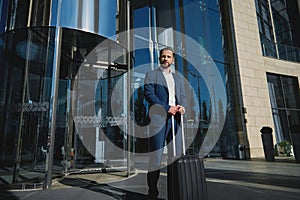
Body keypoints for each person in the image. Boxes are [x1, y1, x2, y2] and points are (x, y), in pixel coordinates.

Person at [144, 47, 187, 199]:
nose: (165, 59)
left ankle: (175, 190)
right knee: (156, 158)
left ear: (173, 60)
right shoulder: (151, 75)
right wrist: (167, 108)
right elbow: (149, 95)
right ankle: (153, 192)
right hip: (159, 120)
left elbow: (182, 95)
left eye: (168, 57)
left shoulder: (178, 78)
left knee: (176, 156)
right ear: (159, 58)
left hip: (175, 121)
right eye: (163, 56)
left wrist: (182, 107)